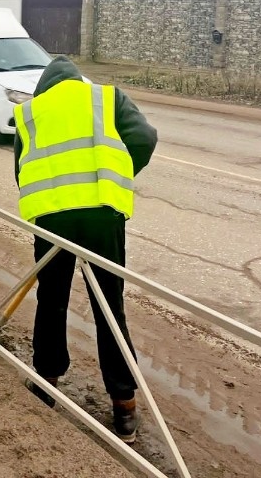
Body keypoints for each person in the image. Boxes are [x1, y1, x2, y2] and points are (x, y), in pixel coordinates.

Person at [13, 56, 157, 444]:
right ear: (77, 81)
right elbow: (145, 138)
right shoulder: (106, 98)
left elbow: (21, 170)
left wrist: (51, 197)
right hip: (101, 215)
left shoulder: (30, 112)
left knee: (52, 300)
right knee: (109, 305)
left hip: (53, 219)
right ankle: (124, 406)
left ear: (43, 89)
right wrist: (117, 174)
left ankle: (47, 382)